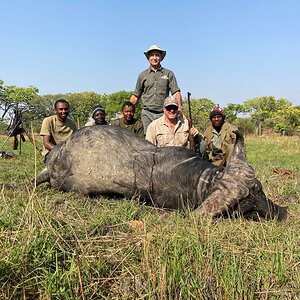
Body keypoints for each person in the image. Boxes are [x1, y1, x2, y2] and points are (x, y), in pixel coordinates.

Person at [130, 44, 182, 132]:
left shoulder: (168, 73)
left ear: (161, 57)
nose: (154, 58)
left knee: (163, 138)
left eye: (157, 55)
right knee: (147, 139)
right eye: (152, 55)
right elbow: (135, 95)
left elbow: (176, 92)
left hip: (163, 113)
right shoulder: (142, 75)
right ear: (148, 58)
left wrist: (180, 108)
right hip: (147, 113)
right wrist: (126, 110)